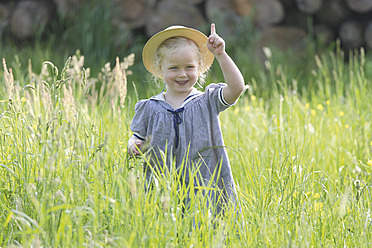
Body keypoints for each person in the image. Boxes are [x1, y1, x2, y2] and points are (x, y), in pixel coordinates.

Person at [128, 23, 245, 215]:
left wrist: (221, 55)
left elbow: (237, 88)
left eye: (189, 67)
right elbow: (136, 136)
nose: (182, 74)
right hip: (163, 190)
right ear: (160, 68)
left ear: (199, 66)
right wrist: (133, 145)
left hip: (203, 186)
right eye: (174, 68)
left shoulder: (207, 101)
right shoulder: (150, 108)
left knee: (204, 229)